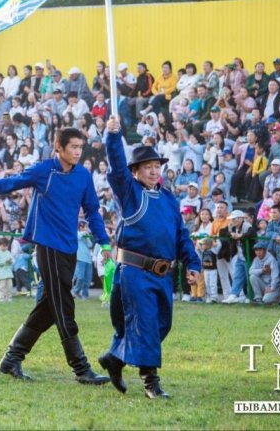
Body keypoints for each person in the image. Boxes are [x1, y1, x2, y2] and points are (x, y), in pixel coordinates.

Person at [0, 127, 110, 386]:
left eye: (81, 148)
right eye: (74, 147)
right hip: (47, 247)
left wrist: (104, 242)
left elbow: (92, 211)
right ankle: (81, 368)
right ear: (58, 146)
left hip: (69, 248)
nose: (78, 152)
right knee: (64, 307)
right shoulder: (43, 170)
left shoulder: (83, 175)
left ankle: (11, 359)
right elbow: (10, 183)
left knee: (47, 309)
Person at [98, 116, 201, 399]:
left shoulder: (169, 199)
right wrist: (112, 136)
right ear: (136, 172)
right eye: (148, 167)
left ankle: (114, 359)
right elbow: (117, 167)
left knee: (160, 325)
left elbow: (181, 234)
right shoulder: (129, 194)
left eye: (157, 166)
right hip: (134, 272)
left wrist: (192, 263)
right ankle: (150, 383)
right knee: (144, 323)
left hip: (162, 275)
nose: (154, 171)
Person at [0, 237, 14, 302]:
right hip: (0, 273)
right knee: (2, 287)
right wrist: (5, 261)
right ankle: (1, 299)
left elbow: (12, 260)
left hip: (8, 272)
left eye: (6, 246)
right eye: (3, 246)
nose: (4, 248)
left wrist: (10, 261)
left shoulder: (8, 252)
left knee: (9, 286)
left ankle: (9, 298)